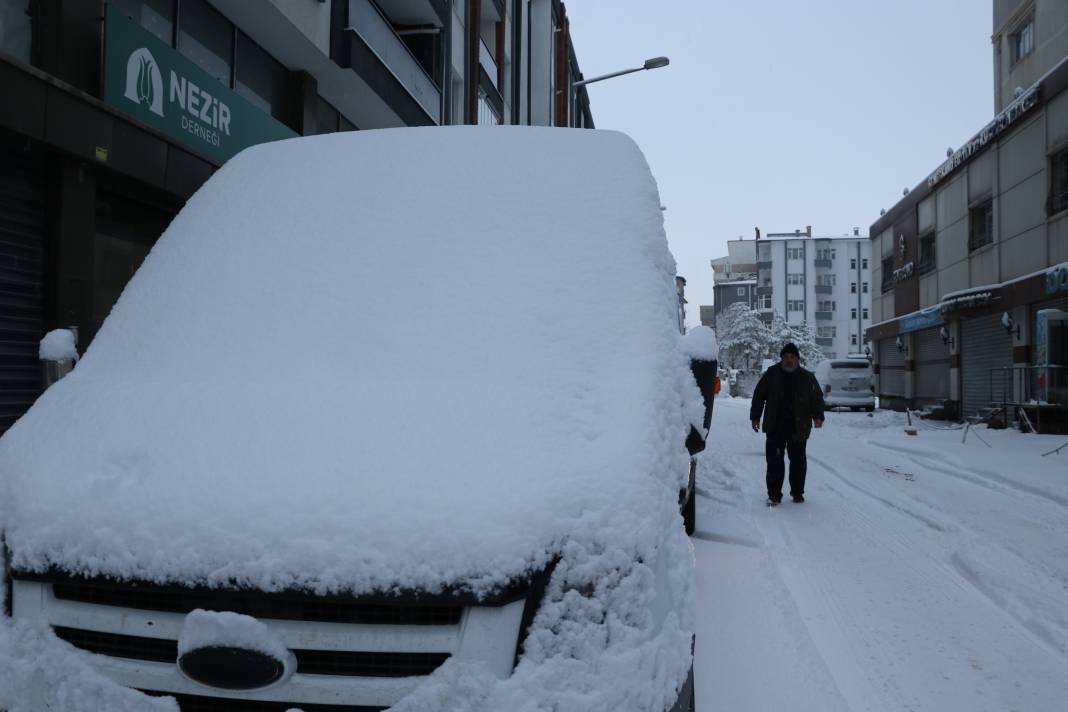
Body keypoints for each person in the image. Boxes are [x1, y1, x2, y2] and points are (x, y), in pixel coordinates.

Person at [749, 343, 825, 505]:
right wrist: (755, 417)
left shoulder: (807, 377)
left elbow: (816, 398)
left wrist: (818, 416)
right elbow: (759, 396)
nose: (789, 360)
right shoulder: (772, 374)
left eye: (792, 357)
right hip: (776, 427)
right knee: (775, 463)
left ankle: (797, 493)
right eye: (786, 357)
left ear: (797, 359)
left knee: (798, 463)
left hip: (798, 428)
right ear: (781, 359)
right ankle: (774, 495)